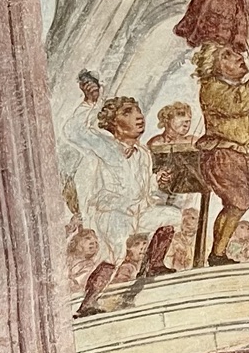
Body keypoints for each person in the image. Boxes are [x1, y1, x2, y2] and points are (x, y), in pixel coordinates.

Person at [71, 97, 182, 316]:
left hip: (136, 211)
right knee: (116, 253)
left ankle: (153, 265)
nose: (138, 116)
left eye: (139, 111)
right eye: (128, 112)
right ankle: (88, 303)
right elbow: (73, 131)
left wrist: (157, 180)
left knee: (171, 216)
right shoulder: (104, 145)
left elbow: (144, 191)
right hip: (111, 213)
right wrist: (88, 102)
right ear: (113, 122)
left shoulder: (142, 154)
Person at [194, 42, 249, 263]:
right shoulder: (211, 87)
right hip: (223, 155)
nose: (238, 57)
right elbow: (240, 103)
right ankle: (217, 254)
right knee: (238, 202)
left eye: (236, 52)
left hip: (248, 153)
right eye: (227, 55)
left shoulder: (240, 86)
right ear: (213, 65)